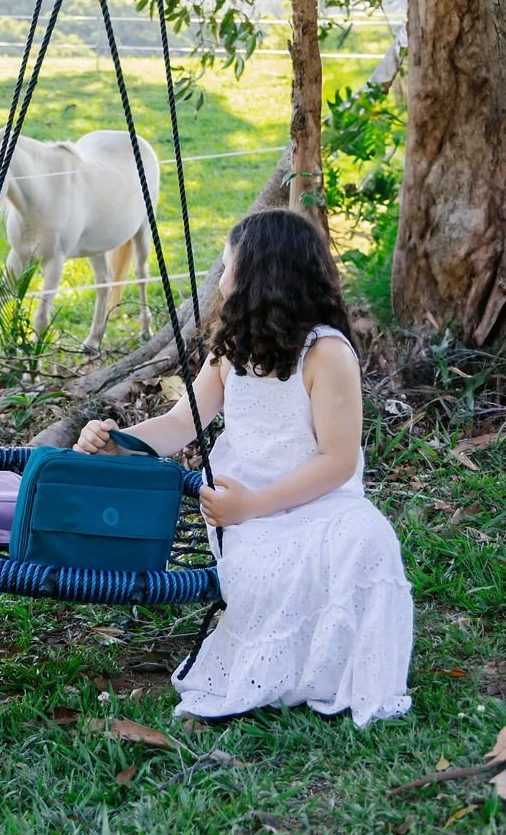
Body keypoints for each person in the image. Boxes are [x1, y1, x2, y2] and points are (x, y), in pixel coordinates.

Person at [74, 208, 413, 728]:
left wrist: (251, 503)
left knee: (368, 539)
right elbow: (180, 422)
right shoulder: (230, 351)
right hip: (243, 513)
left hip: (315, 501)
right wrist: (118, 442)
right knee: (266, 569)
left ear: (262, 275)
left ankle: (334, 671)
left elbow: (339, 461)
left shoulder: (326, 354)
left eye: (229, 265)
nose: (223, 278)